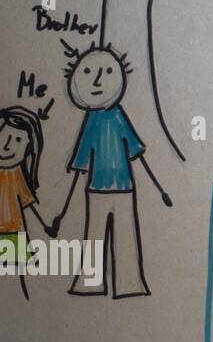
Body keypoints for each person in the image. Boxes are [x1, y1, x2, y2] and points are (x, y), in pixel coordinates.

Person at [53, 44, 171, 299]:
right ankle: (90, 282)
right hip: (96, 188)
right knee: (95, 235)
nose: (97, 80)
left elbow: (135, 151)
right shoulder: (92, 120)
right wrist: (64, 204)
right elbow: (82, 161)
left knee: (125, 236)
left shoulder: (118, 117)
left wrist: (158, 185)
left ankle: (129, 284)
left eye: (107, 71)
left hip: (123, 186)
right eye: (87, 72)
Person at [0, 105, 53, 300]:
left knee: (14, 285)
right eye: (3, 136)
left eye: (18, 140)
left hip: (13, 233)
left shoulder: (15, 175)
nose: (7, 146)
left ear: (28, 150)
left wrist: (45, 225)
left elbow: (28, 203)